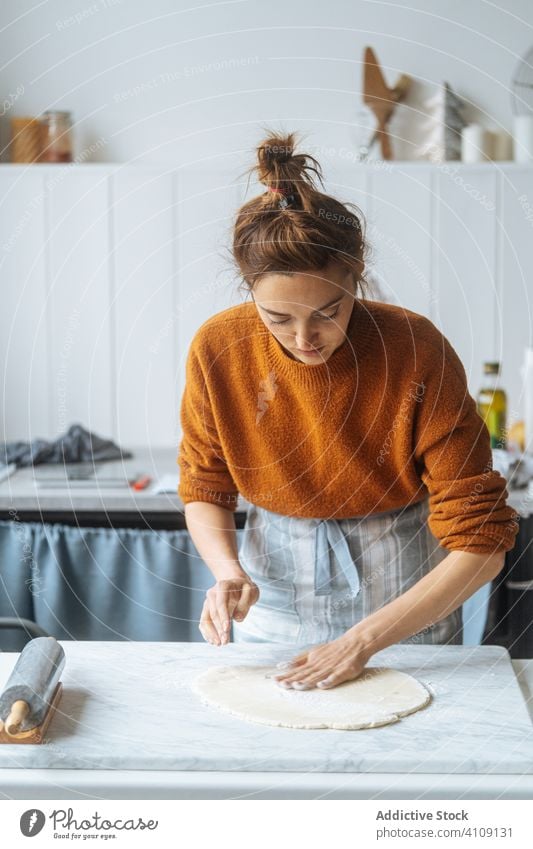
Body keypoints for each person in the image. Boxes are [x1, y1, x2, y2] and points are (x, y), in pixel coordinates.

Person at [177, 130, 519, 692]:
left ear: (357, 277)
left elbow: (482, 545)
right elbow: (204, 483)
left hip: (406, 590)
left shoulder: (414, 347)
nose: (304, 339)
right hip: (276, 586)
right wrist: (228, 572)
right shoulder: (219, 347)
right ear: (250, 294)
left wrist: (364, 640)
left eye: (328, 312)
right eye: (278, 319)